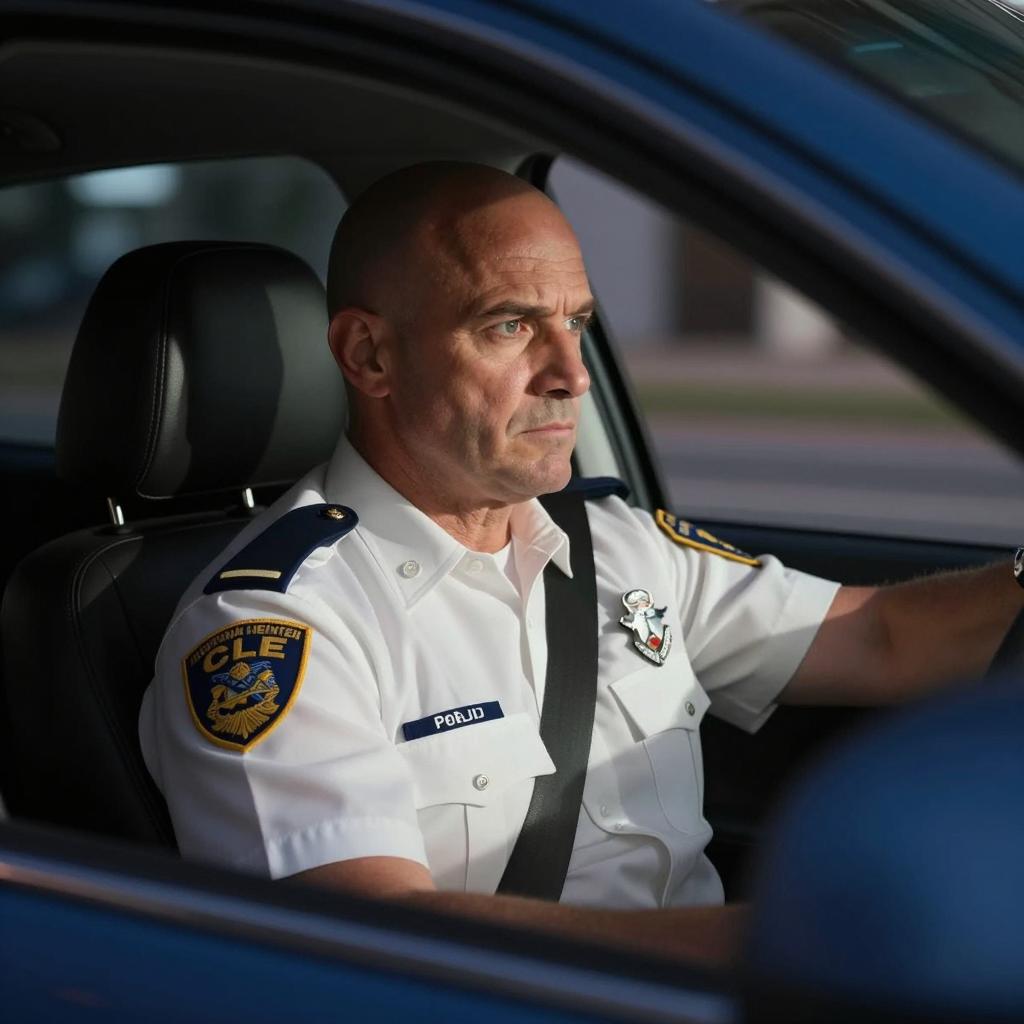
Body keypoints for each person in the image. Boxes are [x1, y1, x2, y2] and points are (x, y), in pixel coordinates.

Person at [139, 162, 1024, 966]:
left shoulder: (616, 544)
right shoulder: (277, 627)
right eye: (510, 325)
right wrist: (805, 946)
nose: (572, 372)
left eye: (577, 323)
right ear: (370, 356)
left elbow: (884, 637)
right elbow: (371, 938)